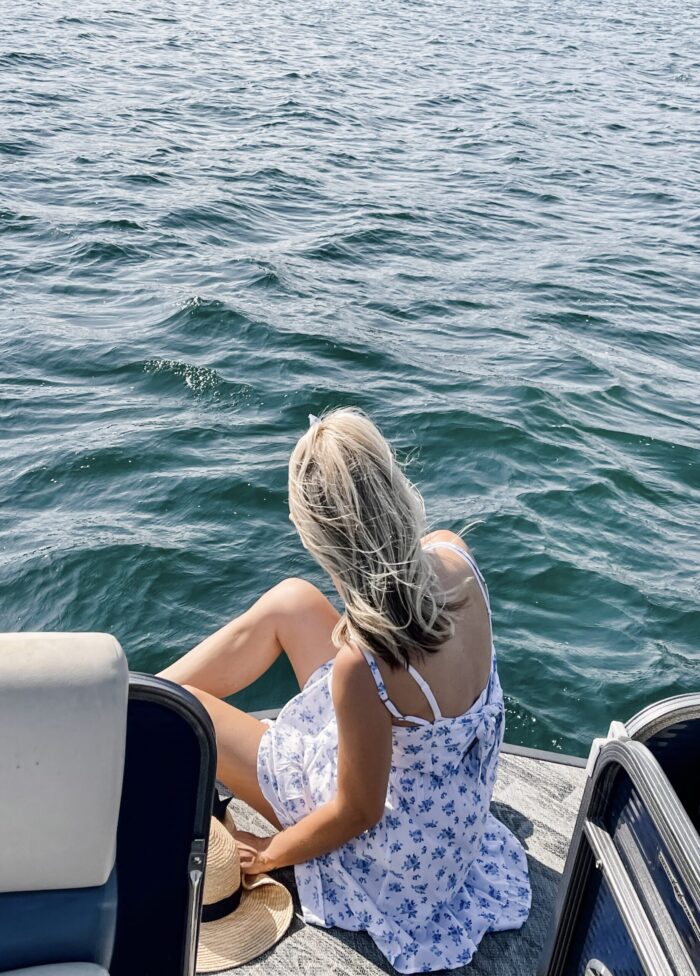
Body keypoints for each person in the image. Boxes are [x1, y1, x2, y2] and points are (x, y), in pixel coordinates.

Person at [158, 407, 530, 973]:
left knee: (193, 716)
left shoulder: (365, 663)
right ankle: (142, 697)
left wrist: (269, 856)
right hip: (449, 823)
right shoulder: (455, 555)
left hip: (395, 860)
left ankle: (141, 709)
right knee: (292, 600)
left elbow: (357, 810)